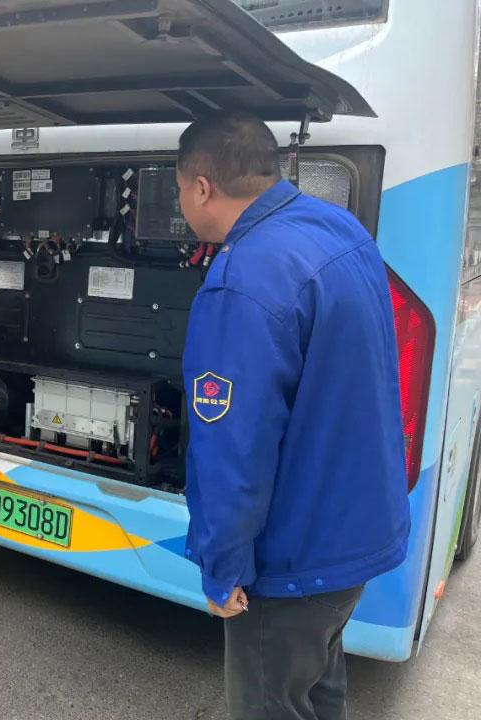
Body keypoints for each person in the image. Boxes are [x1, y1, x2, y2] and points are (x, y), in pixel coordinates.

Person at [176, 111, 410, 720]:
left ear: (201, 187)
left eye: (180, 191)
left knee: (271, 704)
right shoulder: (337, 227)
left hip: (291, 560)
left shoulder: (242, 279)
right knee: (319, 693)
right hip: (353, 537)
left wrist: (223, 566)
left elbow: (234, 448)